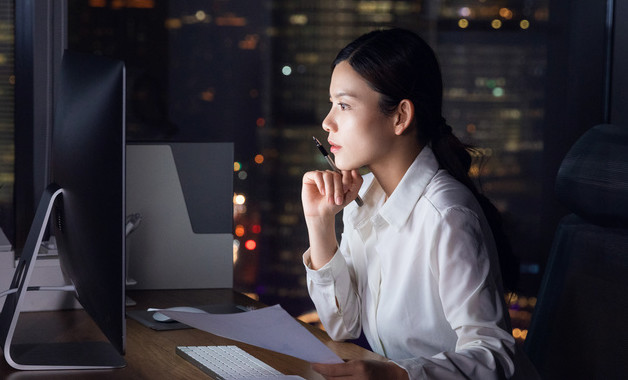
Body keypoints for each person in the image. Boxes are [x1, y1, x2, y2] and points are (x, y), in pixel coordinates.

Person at [301, 28, 536, 379]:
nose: (327, 121)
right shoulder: (364, 199)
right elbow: (342, 326)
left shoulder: (447, 215)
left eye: (344, 105)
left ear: (400, 116)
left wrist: (397, 375)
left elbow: (496, 356)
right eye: (332, 104)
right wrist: (320, 224)